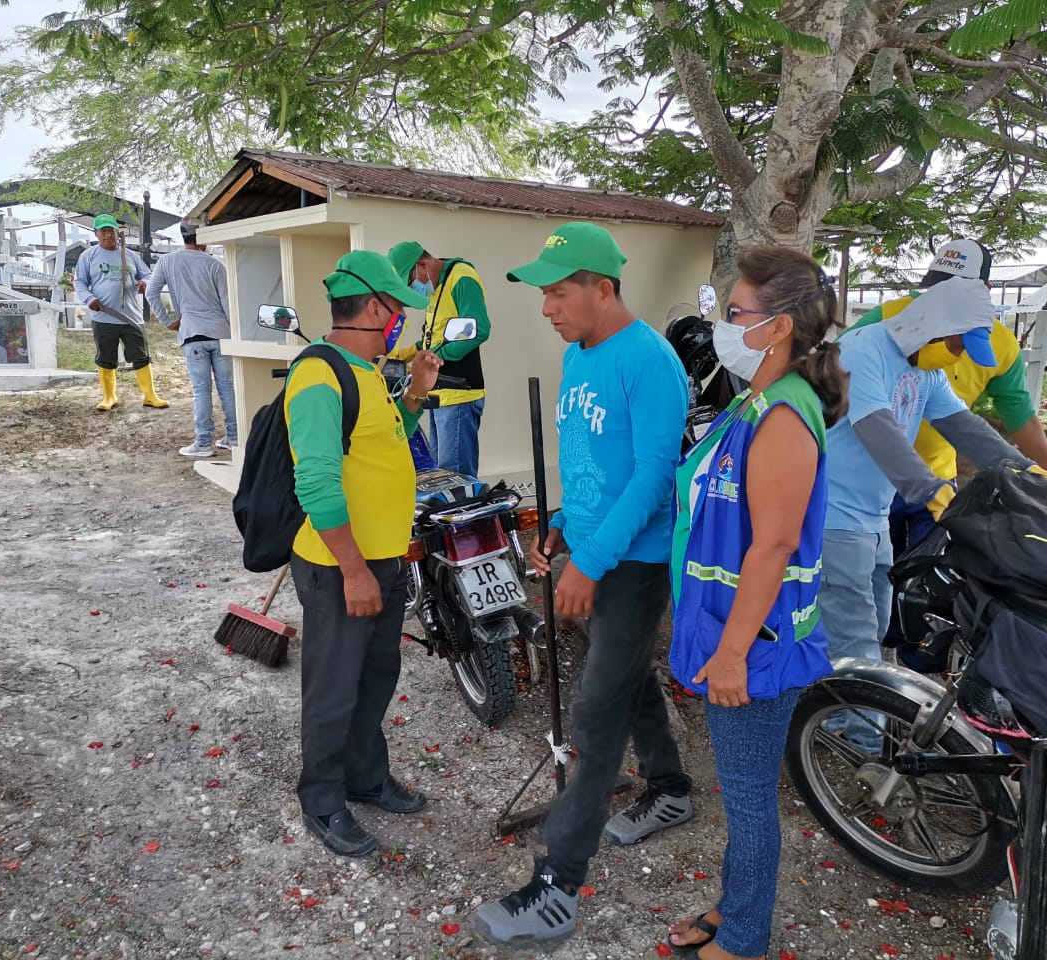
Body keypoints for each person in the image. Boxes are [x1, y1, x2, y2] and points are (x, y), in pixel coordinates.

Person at [472, 223, 693, 946]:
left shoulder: (650, 361)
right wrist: (563, 524)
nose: (547, 308)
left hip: (633, 561)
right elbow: (592, 458)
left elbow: (655, 475)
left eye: (559, 293)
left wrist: (592, 562)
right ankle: (671, 787)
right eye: (543, 294)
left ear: (603, 288)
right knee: (627, 678)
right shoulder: (577, 356)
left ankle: (557, 885)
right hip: (593, 545)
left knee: (596, 712)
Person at [665, 247, 848, 960]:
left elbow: (772, 546)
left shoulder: (783, 417)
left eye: (734, 312)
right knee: (741, 794)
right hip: (729, 628)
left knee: (747, 802)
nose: (723, 325)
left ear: (778, 327)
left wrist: (732, 653)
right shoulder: (756, 399)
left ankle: (743, 939)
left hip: (754, 643)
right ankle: (734, 905)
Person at [823, 276, 1047, 749]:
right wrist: (932, 491)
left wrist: (1033, 475)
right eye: (956, 346)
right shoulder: (862, 351)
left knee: (874, 621)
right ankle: (865, 745)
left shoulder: (925, 370)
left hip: (873, 513)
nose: (957, 359)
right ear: (929, 326)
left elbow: (965, 427)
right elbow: (877, 429)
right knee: (855, 629)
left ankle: (836, 711)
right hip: (833, 512)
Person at [285, 250, 440, 857]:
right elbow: (317, 484)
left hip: (384, 560)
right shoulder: (318, 376)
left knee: (376, 675)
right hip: (339, 568)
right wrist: (353, 570)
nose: (402, 320)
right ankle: (322, 799)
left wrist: (417, 394)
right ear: (375, 308)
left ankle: (365, 776)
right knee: (333, 688)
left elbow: (383, 442)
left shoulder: (366, 370)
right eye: (398, 308)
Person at [849, 239, 1047, 548]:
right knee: (868, 566)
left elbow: (983, 421)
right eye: (939, 287)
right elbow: (866, 418)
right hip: (869, 482)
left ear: (983, 290)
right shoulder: (875, 331)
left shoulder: (984, 348)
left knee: (925, 569)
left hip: (937, 475)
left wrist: (1045, 475)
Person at [385, 241, 490, 476]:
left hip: (458, 393)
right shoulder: (435, 289)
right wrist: (404, 355)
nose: (412, 289)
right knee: (438, 475)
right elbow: (434, 338)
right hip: (436, 394)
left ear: (422, 265)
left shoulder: (461, 278)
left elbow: (479, 329)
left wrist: (434, 358)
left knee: (456, 477)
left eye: (409, 282)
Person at [145, 222, 238, 456]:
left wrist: (168, 321)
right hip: (221, 333)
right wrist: (235, 334)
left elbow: (150, 292)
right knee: (227, 387)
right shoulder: (215, 265)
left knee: (201, 390)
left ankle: (203, 442)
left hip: (192, 333)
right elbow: (228, 303)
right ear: (203, 239)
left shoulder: (167, 261)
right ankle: (234, 437)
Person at [73, 214, 168, 412]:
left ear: (118, 233)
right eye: (104, 231)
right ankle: (109, 397)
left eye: (112, 231)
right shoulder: (88, 256)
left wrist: (145, 283)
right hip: (104, 316)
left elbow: (147, 274)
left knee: (141, 356)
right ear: (96, 233)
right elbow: (80, 281)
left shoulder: (130, 255)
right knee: (106, 358)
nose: (108, 235)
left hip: (132, 317)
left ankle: (150, 396)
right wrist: (89, 299)